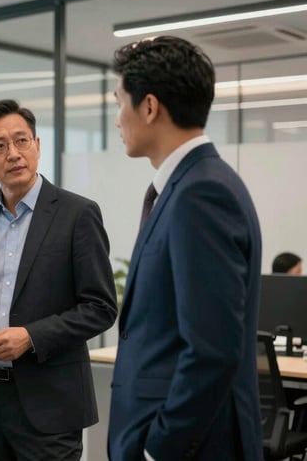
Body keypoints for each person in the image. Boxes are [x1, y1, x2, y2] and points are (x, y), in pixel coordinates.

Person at [108, 36, 263, 461]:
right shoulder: (191, 185)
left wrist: (160, 447)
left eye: (119, 101)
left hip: (190, 448)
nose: (117, 119)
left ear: (150, 107)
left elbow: (212, 350)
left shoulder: (202, 193)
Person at [0, 99, 118, 461]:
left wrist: (31, 337)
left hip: (50, 403)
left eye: (22, 141)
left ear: (37, 145)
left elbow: (100, 307)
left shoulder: (77, 214)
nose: (13, 154)